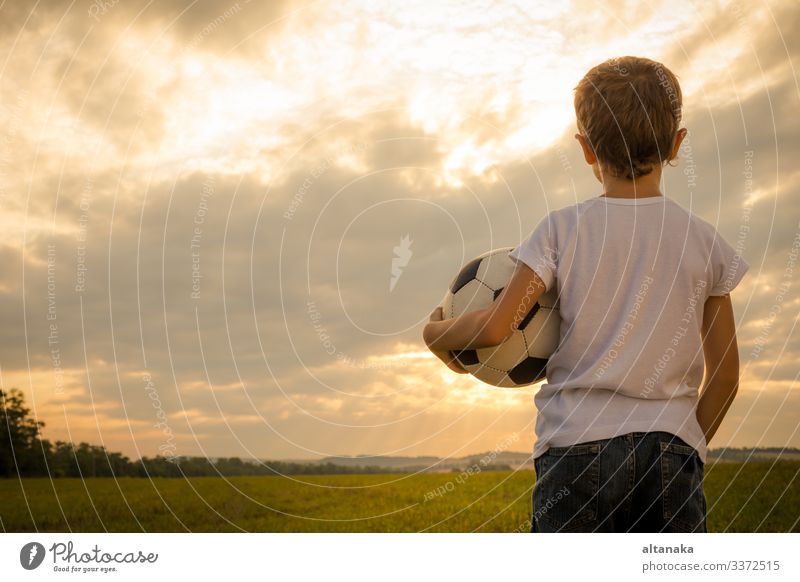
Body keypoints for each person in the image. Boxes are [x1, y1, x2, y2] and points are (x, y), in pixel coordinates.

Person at [423, 56, 749, 532]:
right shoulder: (705, 243)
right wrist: (688, 442)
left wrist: (435, 333)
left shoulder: (560, 231)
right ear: (677, 144)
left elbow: (496, 327)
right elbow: (725, 376)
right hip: (672, 452)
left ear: (587, 149)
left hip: (577, 451)